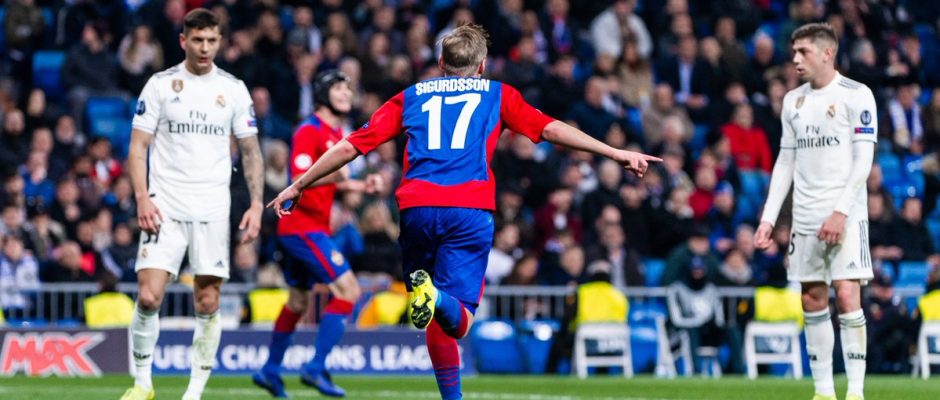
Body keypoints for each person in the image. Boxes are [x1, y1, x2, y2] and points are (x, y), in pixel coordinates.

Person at [269, 23, 660, 400]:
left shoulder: (412, 95)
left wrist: (298, 184)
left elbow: (351, 146)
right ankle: (436, 297)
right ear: (482, 65)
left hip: (417, 209)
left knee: (432, 312)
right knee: (457, 317)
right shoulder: (497, 94)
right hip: (468, 210)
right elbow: (550, 129)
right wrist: (614, 152)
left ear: (441, 63)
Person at [121, 9, 263, 400]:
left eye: (211, 40)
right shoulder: (160, 85)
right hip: (164, 204)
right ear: (183, 40)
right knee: (148, 296)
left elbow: (251, 151)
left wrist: (255, 204)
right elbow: (137, 147)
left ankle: (194, 392)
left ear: (220, 41)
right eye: (197, 40)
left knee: (208, 300)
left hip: (212, 208)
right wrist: (142, 197)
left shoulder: (233, 89)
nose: (204, 48)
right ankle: (143, 384)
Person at [754, 23, 877, 400]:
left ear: (827, 53)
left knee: (847, 295)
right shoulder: (793, 100)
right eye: (793, 51)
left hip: (846, 215)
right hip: (805, 217)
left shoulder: (857, 94)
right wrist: (769, 217)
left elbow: (864, 162)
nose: (795, 59)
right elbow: (785, 162)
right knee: (811, 298)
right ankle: (823, 392)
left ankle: (855, 392)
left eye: (803, 51)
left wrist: (840, 212)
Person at [252, 70, 384, 398]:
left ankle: (270, 370)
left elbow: (326, 179)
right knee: (349, 291)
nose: (346, 93)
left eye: (348, 88)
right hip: (302, 228)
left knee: (298, 301)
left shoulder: (335, 133)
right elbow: (299, 178)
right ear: (323, 94)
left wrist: (358, 185)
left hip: (310, 228)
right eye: (339, 88)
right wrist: (340, 175)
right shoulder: (308, 131)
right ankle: (316, 367)